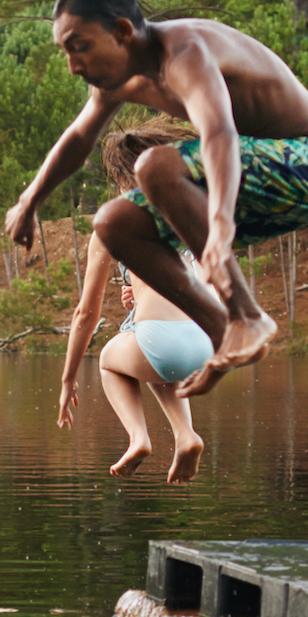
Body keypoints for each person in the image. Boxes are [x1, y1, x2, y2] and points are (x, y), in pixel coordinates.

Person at [5, 0, 308, 397]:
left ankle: (247, 315)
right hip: (256, 178)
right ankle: (224, 331)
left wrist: (220, 221)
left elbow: (219, 135)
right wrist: (30, 200)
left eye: (80, 47)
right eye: (65, 52)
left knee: (156, 166)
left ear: (123, 32)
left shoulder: (185, 51)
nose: (73, 66)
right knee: (112, 223)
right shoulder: (118, 81)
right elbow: (78, 139)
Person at [59, 124, 214, 483]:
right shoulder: (191, 211)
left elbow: (86, 314)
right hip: (206, 340)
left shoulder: (112, 223)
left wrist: (68, 379)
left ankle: (138, 438)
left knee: (110, 362)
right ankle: (186, 435)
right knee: (153, 361)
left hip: (162, 342)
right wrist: (137, 295)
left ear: (124, 178)